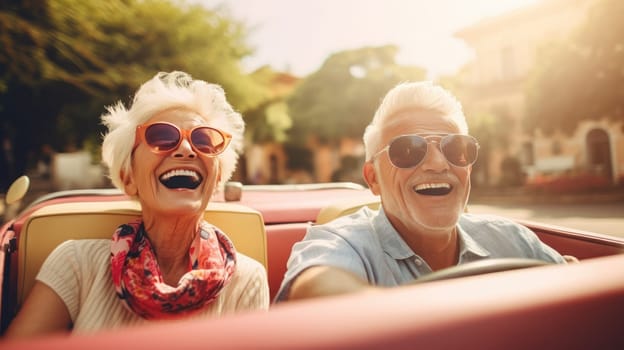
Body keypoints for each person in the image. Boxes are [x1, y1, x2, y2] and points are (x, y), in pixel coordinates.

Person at [6, 71, 269, 337]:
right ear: (128, 177)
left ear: (217, 179)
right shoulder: (76, 264)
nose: (187, 149)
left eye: (203, 140)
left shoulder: (246, 281)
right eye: (162, 136)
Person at [275, 81, 568, 302]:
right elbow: (315, 288)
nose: (438, 164)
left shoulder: (512, 239)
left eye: (455, 148)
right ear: (373, 178)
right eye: (408, 150)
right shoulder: (342, 242)